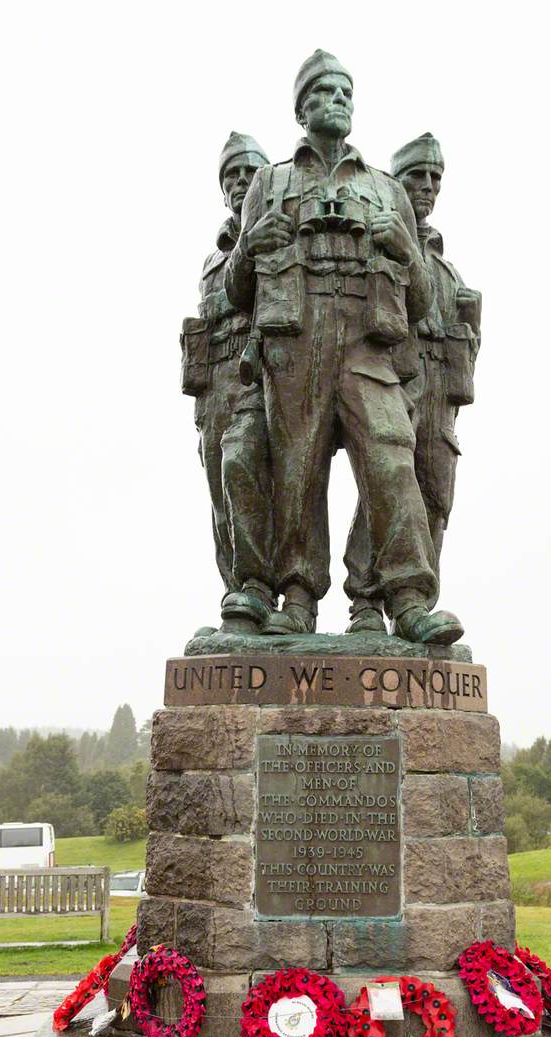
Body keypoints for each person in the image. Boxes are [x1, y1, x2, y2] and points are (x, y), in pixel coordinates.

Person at [225, 52, 463, 644]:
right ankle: (298, 596)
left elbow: (427, 301)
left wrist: (405, 252)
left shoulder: (386, 190)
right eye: (326, 92)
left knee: (391, 459)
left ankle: (408, 598)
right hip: (296, 340)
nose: (338, 101)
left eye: (346, 94)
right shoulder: (270, 182)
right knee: (296, 468)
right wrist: (250, 245)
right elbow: (236, 292)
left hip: (366, 342)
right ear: (302, 107)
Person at [343, 133, 482, 633]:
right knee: (382, 488)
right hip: (392, 384)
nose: (426, 187)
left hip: (440, 403)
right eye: (416, 177)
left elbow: (469, 345)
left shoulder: (447, 269)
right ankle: (365, 602)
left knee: (434, 502)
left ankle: (416, 609)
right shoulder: (372, 242)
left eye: (434, 178)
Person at [180, 131, 276, 631]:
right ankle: (235, 598)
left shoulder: (276, 231)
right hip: (212, 381)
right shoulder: (213, 257)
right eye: (231, 176)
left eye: (248, 173)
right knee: (221, 497)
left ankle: (261, 587)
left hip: (257, 373)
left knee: (246, 471)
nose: (240, 183)